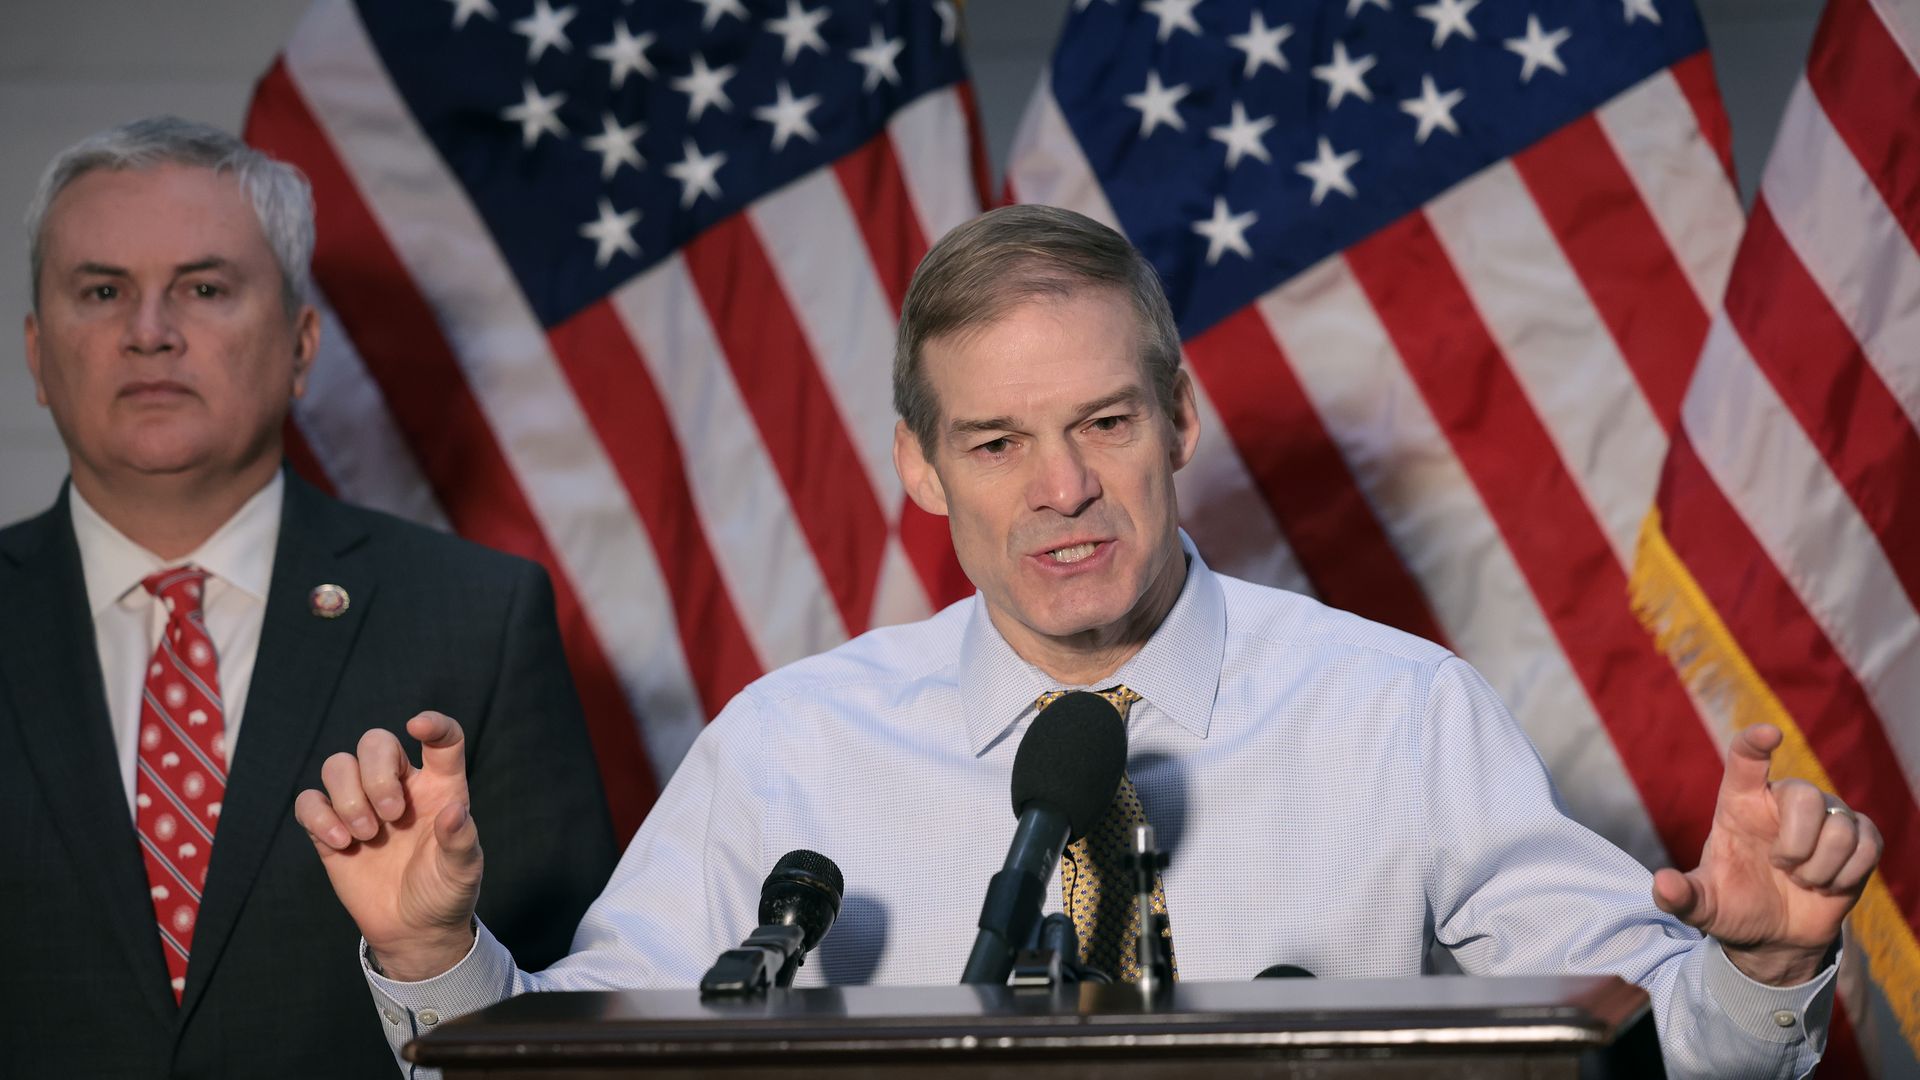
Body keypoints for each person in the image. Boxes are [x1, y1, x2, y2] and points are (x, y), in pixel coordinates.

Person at [300, 205, 1880, 1079]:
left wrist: (1758, 963)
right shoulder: (790, 750)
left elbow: (1671, 1044)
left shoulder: (1397, 712)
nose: (1061, 491)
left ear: (1179, 420)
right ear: (920, 468)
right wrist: (436, 959)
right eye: (994, 443)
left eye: (1104, 422)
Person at [0, 116, 618, 1077]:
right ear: (38, 354)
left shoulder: (480, 620)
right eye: (102, 291)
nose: (150, 331)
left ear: (299, 345)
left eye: (203, 288)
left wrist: (434, 955)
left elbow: (568, 1016)